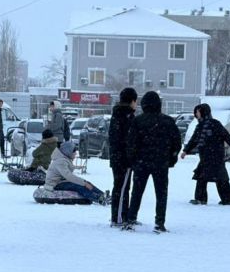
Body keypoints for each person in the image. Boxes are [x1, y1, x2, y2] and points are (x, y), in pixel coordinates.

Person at [124, 91, 181, 233]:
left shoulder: (138, 121)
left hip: (141, 162)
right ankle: (159, 222)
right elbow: (177, 143)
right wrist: (171, 158)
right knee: (161, 193)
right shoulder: (168, 121)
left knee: (137, 192)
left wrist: (133, 159)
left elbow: (131, 143)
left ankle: (131, 219)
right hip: (161, 162)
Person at [181, 103, 230, 206]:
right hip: (205, 157)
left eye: (198, 111)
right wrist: (186, 151)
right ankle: (203, 199)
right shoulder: (199, 126)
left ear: (204, 112)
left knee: (219, 178)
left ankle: (228, 200)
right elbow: (193, 140)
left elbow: (226, 136)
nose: (196, 113)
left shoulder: (215, 124)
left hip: (216, 156)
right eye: (196, 111)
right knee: (203, 177)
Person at [44, 140, 108, 204]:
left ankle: (103, 195)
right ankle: (99, 198)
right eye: (74, 151)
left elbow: (67, 172)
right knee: (79, 186)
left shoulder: (64, 159)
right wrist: (84, 183)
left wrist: (84, 182)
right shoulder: (61, 161)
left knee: (87, 183)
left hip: (62, 181)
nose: (76, 153)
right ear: (68, 152)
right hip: (55, 184)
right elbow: (69, 176)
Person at [108, 87, 137, 227]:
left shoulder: (117, 114)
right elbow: (128, 139)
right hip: (123, 158)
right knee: (122, 188)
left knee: (120, 187)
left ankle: (121, 215)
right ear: (132, 101)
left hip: (116, 156)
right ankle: (119, 217)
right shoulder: (127, 116)